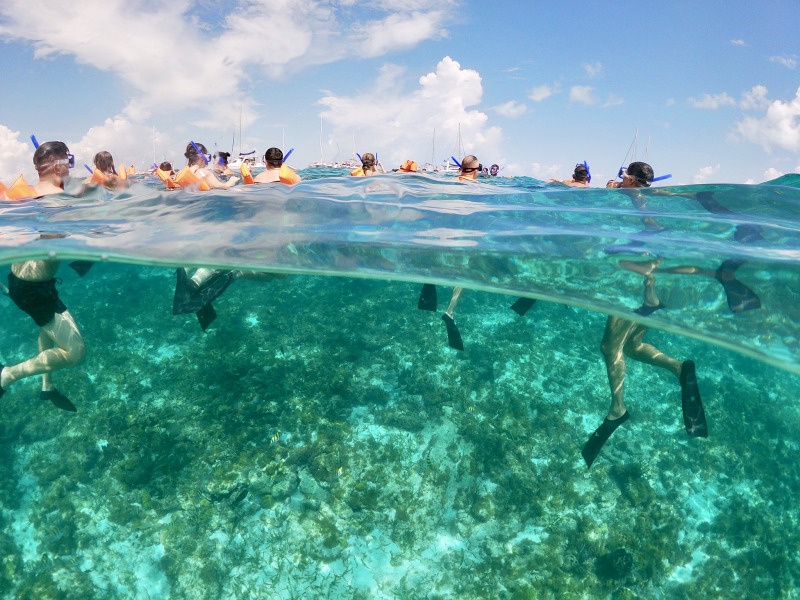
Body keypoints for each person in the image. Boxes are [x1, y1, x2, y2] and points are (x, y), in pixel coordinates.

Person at [581, 161, 707, 468]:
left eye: (625, 175)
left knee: (609, 347)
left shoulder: (638, 200)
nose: (620, 176)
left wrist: (627, 199)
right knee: (634, 347)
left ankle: (618, 409)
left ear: (634, 180)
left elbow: (653, 225)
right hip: (650, 283)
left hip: (636, 285)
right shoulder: (643, 195)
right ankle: (679, 369)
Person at [1, 141, 87, 412]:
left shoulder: (27, 198)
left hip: (24, 283)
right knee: (75, 353)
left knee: (45, 328)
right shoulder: (58, 202)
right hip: (33, 291)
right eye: (69, 161)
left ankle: (46, 386)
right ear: (59, 164)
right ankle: (8, 375)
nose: (70, 167)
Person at [417, 155, 482, 350]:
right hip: (463, 238)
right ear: (477, 170)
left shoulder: (449, 184)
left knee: (437, 262)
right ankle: (450, 312)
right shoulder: (478, 189)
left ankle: (431, 280)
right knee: (463, 275)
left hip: (441, 235)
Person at [174, 142, 239, 190]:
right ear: (202, 157)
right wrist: (231, 181)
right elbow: (224, 187)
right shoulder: (204, 172)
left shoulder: (179, 173)